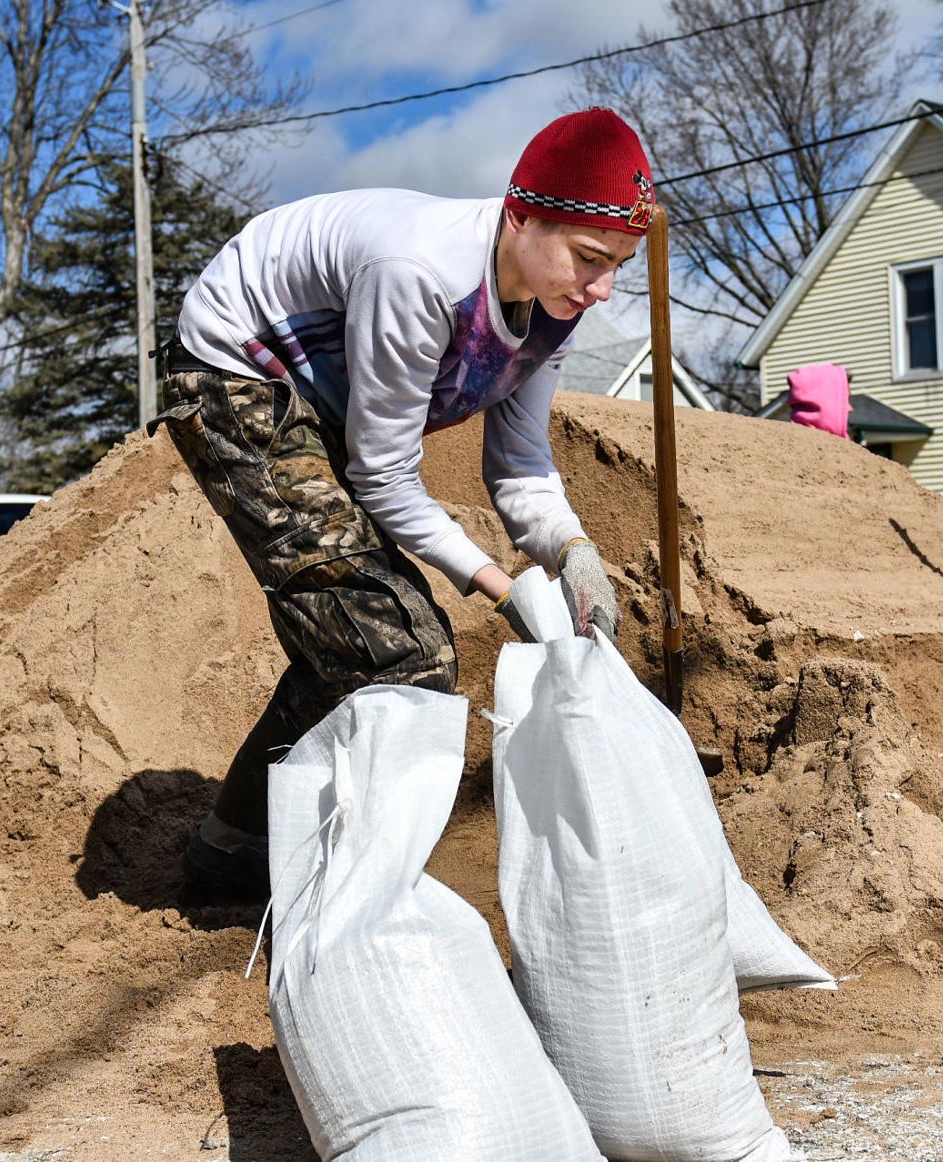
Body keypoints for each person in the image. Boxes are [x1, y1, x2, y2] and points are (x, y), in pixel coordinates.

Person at [149, 108, 652, 897]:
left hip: (329, 399)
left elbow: (519, 463)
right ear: (520, 215)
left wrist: (570, 550)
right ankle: (280, 864)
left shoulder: (553, 313)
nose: (603, 289)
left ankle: (238, 843)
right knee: (397, 648)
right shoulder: (422, 273)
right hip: (238, 371)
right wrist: (498, 584)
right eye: (590, 258)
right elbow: (384, 475)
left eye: (621, 264)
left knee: (365, 637)